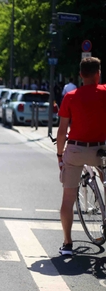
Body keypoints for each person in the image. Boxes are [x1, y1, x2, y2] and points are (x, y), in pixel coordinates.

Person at [56, 57, 106, 255]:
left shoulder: (71, 96)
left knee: (68, 199)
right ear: (98, 74)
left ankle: (67, 244)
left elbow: (61, 132)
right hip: (101, 150)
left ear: (80, 75)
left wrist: (60, 155)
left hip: (76, 151)